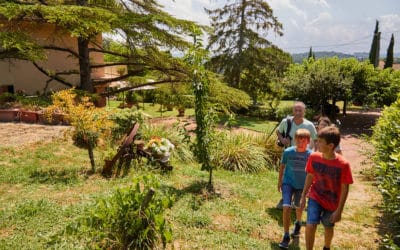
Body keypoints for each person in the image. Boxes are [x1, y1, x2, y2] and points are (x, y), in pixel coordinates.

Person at [300, 126, 354, 250]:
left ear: (330, 146)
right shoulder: (314, 157)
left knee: (328, 226)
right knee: (310, 225)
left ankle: (327, 246)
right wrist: (303, 196)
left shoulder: (343, 164)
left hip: (332, 202)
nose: (316, 143)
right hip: (315, 196)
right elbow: (310, 175)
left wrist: (339, 211)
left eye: (320, 141)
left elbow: (345, 189)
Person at [275, 101, 318, 209]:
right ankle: (285, 199)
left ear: (304, 111)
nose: (298, 112)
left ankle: (296, 199)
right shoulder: (286, 122)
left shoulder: (309, 125)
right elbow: (278, 131)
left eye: (300, 110)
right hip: (289, 155)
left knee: (300, 177)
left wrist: (315, 153)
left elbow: (316, 139)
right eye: (296, 110)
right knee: (287, 176)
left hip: (304, 157)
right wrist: (282, 139)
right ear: (293, 111)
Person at [278, 129, 313, 249]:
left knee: (298, 206)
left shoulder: (311, 155)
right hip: (288, 183)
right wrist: (280, 182)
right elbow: (282, 167)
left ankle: (298, 222)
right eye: (298, 139)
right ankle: (286, 235)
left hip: (302, 186)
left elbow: (312, 173)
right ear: (295, 140)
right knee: (286, 207)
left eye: (304, 140)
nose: (300, 142)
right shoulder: (288, 152)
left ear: (308, 141)